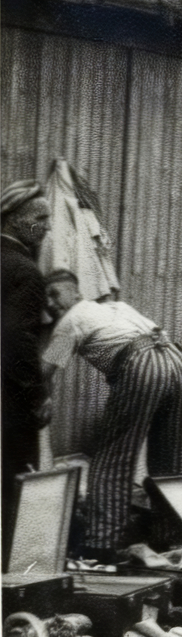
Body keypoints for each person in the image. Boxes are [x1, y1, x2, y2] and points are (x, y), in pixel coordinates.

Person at [39, 271, 182, 562]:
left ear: (75, 294)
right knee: (172, 461)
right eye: (45, 297)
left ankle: (101, 546)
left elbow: (46, 370)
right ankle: (170, 541)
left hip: (143, 364)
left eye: (55, 294)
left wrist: (44, 398)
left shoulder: (71, 320)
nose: (50, 303)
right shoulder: (116, 308)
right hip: (176, 359)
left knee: (112, 460)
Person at [2, 180, 52, 564]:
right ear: (18, 222)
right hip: (8, 405)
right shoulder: (26, 272)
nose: (47, 226)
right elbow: (19, 341)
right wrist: (37, 396)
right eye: (41, 218)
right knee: (11, 490)